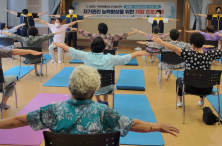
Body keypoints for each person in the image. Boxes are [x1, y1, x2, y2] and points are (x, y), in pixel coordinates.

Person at [0, 65, 180, 138]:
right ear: (94, 91)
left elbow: (20, 120)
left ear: (69, 87)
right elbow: (133, 124)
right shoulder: (104, 112)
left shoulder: (53, 110)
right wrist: (156, 126)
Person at [53, 37, 148, 106]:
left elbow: (72, 50)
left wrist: (60, 44)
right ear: (104, 47)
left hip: (91, 88)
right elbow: (124, 59)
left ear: (91, 47)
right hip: (107, 87)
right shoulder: (110, 58)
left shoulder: (85, 56)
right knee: (103, 79)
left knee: (95, 79)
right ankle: (105, 102)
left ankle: (98, 101)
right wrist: (137, 53)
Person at [151, 33, 222, 107]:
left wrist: (161, 42)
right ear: (203, 43)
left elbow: (174, 48)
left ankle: (180, 102)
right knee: (202, 78)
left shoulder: (188, 53)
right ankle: (201, 101)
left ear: (192, 45)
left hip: (189, 87)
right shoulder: (210, 54)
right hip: (207, 88)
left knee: (179, 80)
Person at [74, 23, 138, 50]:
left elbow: (85, 33)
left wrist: (76, 29)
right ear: (106, 30)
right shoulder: (110, 37)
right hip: (108, 59)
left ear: (98, 29)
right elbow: (122, 35)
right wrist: (133, 32)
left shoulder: (95, 36)